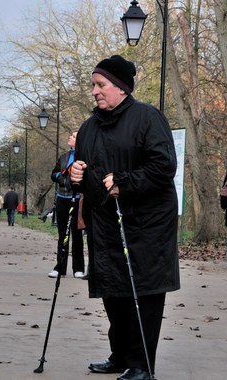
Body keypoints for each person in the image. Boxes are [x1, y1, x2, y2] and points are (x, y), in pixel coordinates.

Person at [69, 55, 180, 380]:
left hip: (146, 227)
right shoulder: (88, 128)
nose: (95, 91)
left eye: (100, 85)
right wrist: (74, 175)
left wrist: (126, 183)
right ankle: (120, 356)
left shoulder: (147, 118)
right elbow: (83, 174)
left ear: (121, 88)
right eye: (93, 85)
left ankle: (142, 364)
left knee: (142, 294)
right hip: (105, 227)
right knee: (113, 292)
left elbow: (163, 166)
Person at [48, 131, 85, 279]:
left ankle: (79, 268)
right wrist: (61, 176)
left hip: (76, 199)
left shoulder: (84, 157)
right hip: (62, 199)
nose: (70, 137)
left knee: (77, 235)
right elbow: (54, 174)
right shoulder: (63, 157)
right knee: (62, 234)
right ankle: (60, 267)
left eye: (74, 136)